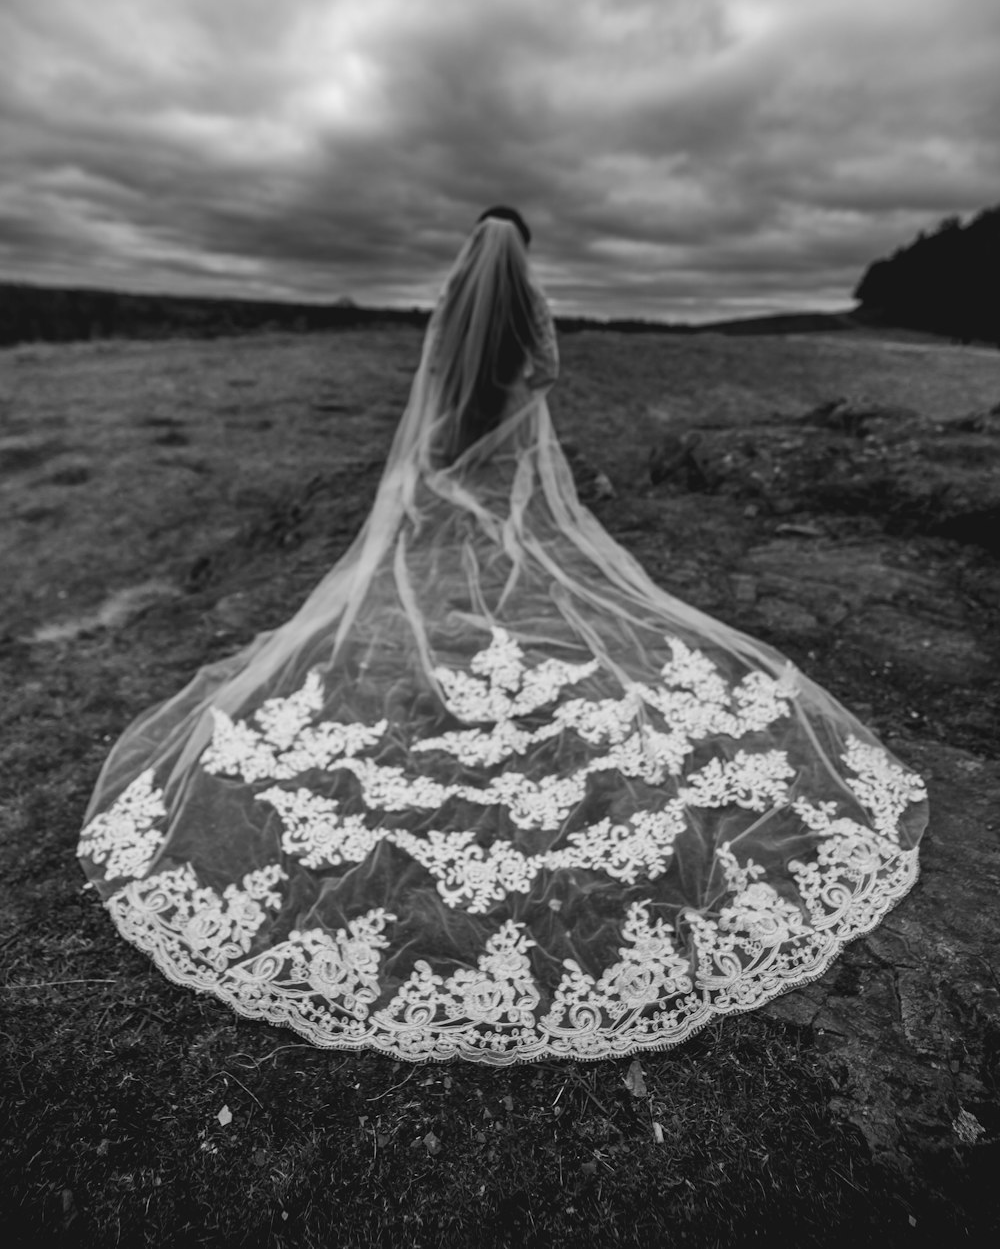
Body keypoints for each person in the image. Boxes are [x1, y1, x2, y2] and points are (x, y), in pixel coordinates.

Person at [78, 208, 928, 1062]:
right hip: (504, 451)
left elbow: (437, 377)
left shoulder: (453, 304)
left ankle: (467, 633)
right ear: (520, 250)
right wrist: (518, 397)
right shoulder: (528, 304)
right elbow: (547, 370)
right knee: (521, 568)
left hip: (452, 447)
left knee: (458, 575)